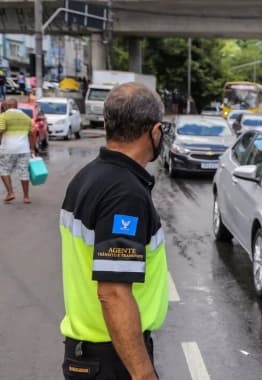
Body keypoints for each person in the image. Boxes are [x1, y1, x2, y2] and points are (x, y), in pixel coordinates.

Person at [59, 82, 168, 380]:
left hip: (90, 353)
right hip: (111, 357)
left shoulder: (88, 176)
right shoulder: (124, 193)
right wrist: (143, 373)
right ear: (154, 131)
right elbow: (113, 292)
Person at [0, 98, 35, 204]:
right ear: (16, 106)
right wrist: (32, 148)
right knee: (24, 171)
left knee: (4, 170)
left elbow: (0, 131)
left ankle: (10, 192)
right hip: (24, 149)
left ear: (7, 106)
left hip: (8, 148)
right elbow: (31, 135)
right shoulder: (26, 117)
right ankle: (26, 197)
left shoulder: (3, 116)